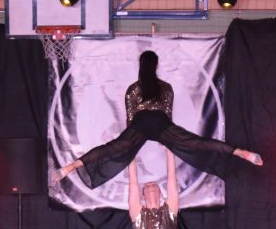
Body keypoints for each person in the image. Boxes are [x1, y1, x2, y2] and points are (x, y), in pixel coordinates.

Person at [51, 50, 263, 188]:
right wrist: (167, 137)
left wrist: (130, 142)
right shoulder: (166, 87)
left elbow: (131, 118)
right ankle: (241, 152)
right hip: (160, 124)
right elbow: (166, 114)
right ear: (156, 65)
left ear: (141, 66)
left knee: (112, 148)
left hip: (140, 124)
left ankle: (71, 166)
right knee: (197, 143)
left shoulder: (133, 89)